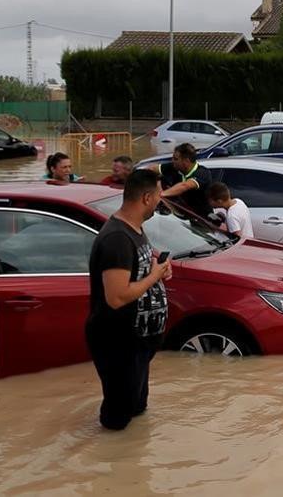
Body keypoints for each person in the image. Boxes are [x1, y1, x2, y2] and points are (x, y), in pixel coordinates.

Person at [85, 169, 172, 431]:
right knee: (117, 420)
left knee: (136, 408)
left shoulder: (134, 230)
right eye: (159, 195)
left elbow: (137, 271)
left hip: (136, 341)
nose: (161, 200)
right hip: (117, 341)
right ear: (146, 197)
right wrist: (154, 276)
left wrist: (157, 268)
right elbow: (116, 296)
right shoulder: (117, 239)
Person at [159, 143, 213, 218]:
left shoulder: (203, 173)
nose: (172, 161)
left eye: (175, 159)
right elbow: (153, 169)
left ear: (186, 161)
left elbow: (185, 186)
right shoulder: (175, 168)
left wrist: (160, 194)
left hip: (202, 222)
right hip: (183, 219)